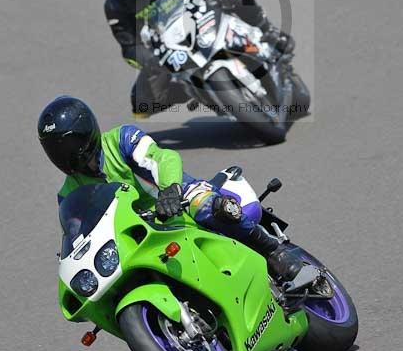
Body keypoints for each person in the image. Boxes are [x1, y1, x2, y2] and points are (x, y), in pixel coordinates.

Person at [38, 95, 304, 281]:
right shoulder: (68, 192)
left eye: (70, 146)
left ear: (88, 133)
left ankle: (274, 252)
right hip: (139, 234)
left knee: (208, 207)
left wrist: (169, 191)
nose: (65, 156)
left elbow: (163, 158)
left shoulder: (120, 140)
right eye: (56, 151)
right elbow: (76, 230)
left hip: (178, 198)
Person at [104, 0, 294, 117]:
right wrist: (152, 61)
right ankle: (192, 90)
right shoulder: (115, 4)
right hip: (166, 49)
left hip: (201, 13)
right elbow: (129, 47)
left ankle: (267, 31)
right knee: (140, 104)